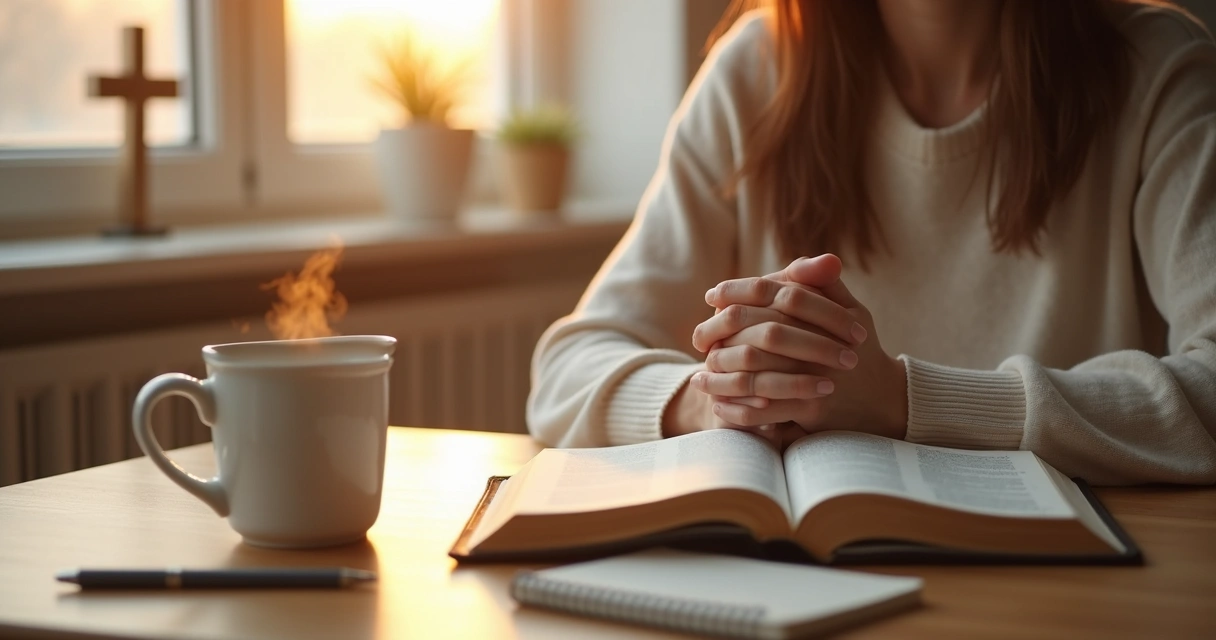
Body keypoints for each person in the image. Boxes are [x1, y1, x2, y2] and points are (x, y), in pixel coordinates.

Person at [527, 0, 1216, 485]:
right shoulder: (757, 72)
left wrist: (905, 401)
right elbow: (566, 367)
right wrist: (715, 397)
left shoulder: (1157, 70)